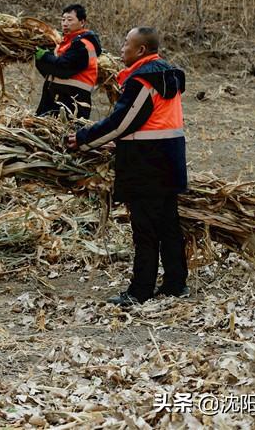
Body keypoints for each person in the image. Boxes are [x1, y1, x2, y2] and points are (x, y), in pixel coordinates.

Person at [66, 27, 188, 306]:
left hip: (147, 166)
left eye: (126, 44)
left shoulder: (143, 80)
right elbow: (152, 123)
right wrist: (119, 144)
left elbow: (121, 122)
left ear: (141, 50)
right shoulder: (166, 75)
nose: (121, 48)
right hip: (169, 161)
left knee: (145, 230)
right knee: (169, 225)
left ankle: (139, 292)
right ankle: (175, 284)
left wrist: (84, 140)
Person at [34, 4, 102, 118]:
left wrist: (45, 56)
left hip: (73, 104)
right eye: (63, 19)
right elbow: (48, 70)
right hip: (52, 101)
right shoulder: (61, 44)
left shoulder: (84, 45)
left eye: (70, 20)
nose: (65, 23)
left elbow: (63, 68)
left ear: (82, 22)